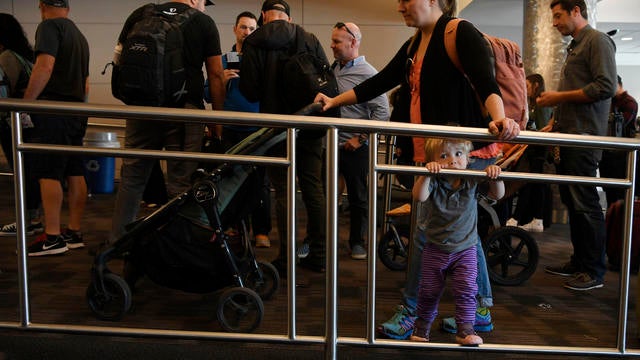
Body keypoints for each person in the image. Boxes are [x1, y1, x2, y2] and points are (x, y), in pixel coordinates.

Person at [314, 0, 520, 339]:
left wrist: (498, 119)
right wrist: (334, 101)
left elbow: (486, 83)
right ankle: (479, 308)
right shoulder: (414, 43)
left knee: (426, 230)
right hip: (434, 152)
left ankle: (414, 310)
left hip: (464, 151)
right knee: (460, 229)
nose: (400, 7)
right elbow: (380, 82)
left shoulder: (458, 32)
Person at [110, 0, 225, 242]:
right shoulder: (203, 22)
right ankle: (175, 246)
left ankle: (119, 242)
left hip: (142, 110)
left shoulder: (140, 14)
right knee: (180, 182)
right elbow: (215, 73)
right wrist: (217, 120)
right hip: (183, 113)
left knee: (132, 176)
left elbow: (120, 59)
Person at [539, 0, 617, 291]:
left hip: (584, 138)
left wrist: (558, 99)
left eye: (558, 16)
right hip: (570, 134)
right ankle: (581, 261)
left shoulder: (598, 41)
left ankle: (594, 271)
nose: (554, 22)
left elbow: (605, 86)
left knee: (585, 204)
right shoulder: (576, 45)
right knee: (574, 202)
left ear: (576, 11)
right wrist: (555, 122)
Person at [409, 138, 504, 346]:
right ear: (433, 160)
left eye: (458, 154)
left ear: (468, 157)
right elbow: (419, 196)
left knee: (466, 290)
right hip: (436, 248)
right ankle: (422, 327)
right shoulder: (434, 180)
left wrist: (496, 177)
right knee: (429, 291)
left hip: (466, 249)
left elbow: (498, 195)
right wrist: (427, 173)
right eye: (444, 156)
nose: (452, 160)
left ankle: (465, 329)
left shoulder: (470, 179)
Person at [23, 0, 89, 256]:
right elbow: (85, 84)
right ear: (68, 7)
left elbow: (44, 66)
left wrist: (26, 104)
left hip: (53, 110)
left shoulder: (49, 27)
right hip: (75, 111)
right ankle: (73, 232)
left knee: (48, 172)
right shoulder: (79, 35)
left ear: (41, 5)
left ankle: (52, 237)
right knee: (75, 170)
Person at [324, 21, 390, 260]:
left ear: (353, 43)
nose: (331, 45)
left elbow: (383, 113)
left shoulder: (369, 74)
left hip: (355, 147)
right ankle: (323, 241)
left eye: (337, 42)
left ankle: (357, 243)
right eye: (332, 41)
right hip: (331, 144)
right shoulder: (333, 68)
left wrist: (360, 139)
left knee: (357, 198)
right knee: (326, 196)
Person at [209, 10, 273, 248]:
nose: (247, 32)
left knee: (260, 183)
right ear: (235, 29)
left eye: (252, 29)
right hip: (229, 129)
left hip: (257, 130)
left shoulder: (263, 61)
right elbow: (207, 94)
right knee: (229, 181)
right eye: (243, 27)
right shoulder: (223, 59)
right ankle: (235, 226)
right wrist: (221, 82)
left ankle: (261, 232)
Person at [0, 13, 43, 237]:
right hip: (28, 123)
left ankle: (28, 220)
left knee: (22, 173)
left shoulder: (7, 57)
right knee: (28, 172)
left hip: (12, 123)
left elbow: (5, 91)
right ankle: (32, 219)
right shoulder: (25, 54)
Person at [505, 73, 553, 232]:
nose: (525, 90)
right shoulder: (535, 105)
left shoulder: (541, 105)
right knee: (531, 184)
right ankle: (525, 218)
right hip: (535, 150)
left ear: (536, 85)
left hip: (539, 151)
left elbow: (542, 129)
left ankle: (524, 218)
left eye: (527, 86)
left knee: (531, 183)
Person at [599, 75, 638, 207]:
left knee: (619, 194)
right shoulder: (609, 102)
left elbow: (617, 127)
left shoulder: (629, 103)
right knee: (609, 191)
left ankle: (618, 224)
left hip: (621, 157)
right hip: (608, 154)